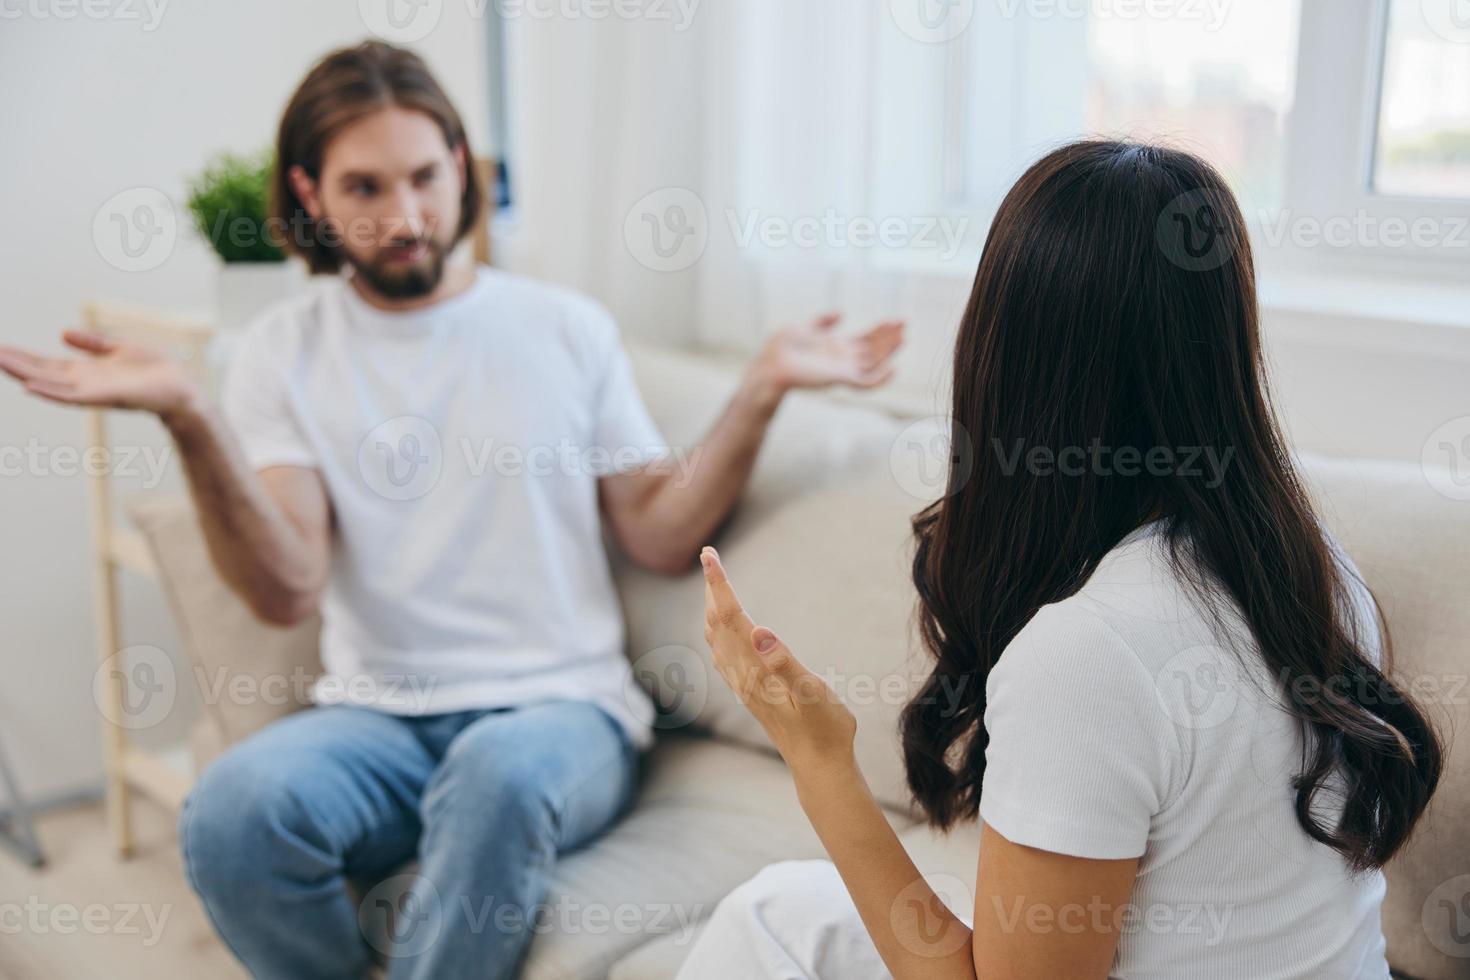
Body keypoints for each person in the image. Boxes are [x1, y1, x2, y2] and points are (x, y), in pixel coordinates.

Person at [0, 41, 904, 980]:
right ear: (309, 194)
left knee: (497, 777)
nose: (406, 216)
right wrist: (188, 416)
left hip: (560, 710)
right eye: (365, 189)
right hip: (376, 718)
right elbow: (286, 586)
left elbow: (657, 531)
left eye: (426, 178)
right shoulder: (280, 352)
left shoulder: (564, 327)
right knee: (229, 810)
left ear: (461, 170)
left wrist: (763, 384)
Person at [681, 140, 1443, 980]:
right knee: (784, 914)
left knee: (766, 923)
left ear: (1006, 358)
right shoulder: (1318, 573)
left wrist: (816, 756)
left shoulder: (1087, 654)